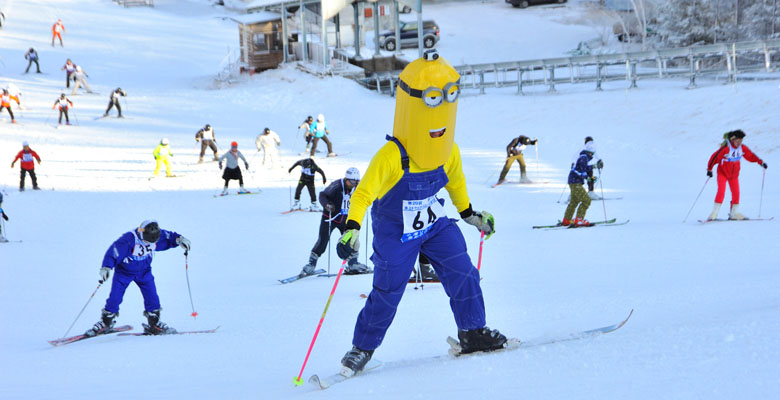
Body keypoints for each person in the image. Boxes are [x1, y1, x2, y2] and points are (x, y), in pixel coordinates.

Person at [334, 50, 505, 375]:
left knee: (463, 270)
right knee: (388, 289)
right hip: (395, 230)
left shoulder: (448, 151)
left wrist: (471, 216)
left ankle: (472, 332)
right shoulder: (391, 155)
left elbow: (457, 185)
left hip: (432, 221)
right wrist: (352, 227)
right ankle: (362, 348)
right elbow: (364, 194)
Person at [84, 220, 191, 337]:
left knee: (152, 296)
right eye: (146, 241)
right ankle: (107, 322)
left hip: (144, 272)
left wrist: (180, 239)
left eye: (151, 242)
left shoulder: (157, 235)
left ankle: (154, 323)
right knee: (115, 297)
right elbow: (113, 252)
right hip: (124, 273)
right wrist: (106, 267)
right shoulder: (129, 240)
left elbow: (169, 237)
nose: (147, 243)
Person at [299, 167, 370, 277]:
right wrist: (327, 204)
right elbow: (322, 195)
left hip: (345, 219)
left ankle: (353, 264)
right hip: (330, 218)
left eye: (356, 182)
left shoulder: (356, 187)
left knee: (351, 240)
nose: (354, 184)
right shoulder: (336, 186)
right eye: (352, 181)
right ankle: (311, 264)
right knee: (323, 241)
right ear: (346, 179)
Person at [706, 129, 767, 220]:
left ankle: (734, 214)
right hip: (722, 173)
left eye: (741, 141)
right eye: (737, 141)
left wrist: (760, 162)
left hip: (734, 176)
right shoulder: (725, 149)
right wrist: (710, 169)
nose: (739, 143)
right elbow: (714, 157)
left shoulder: (742, 148)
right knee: (721, 192)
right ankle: (713, 214)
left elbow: (750, 156)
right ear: (732, 140)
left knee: (736, 193)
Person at [562, 139, 602, 227]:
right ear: (590, 152)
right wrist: (588, 178)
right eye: (592, 153)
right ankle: (579, 220)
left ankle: (567, 220)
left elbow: (583, 168)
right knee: (586, 200)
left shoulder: (583, 157)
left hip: (573, 181)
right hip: (575, 182)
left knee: (574, 201)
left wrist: (594, 166)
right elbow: (581, 172)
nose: (592, 155)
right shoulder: (584, 157)